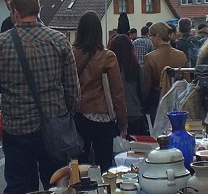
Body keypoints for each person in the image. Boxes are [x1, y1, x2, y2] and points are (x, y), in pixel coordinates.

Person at [0, 0, 80, 194]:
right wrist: (64, 114)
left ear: (15, 13)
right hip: (54, 127)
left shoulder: (0, 43)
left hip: (17, 128)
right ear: (39, 10)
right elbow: (73, 90)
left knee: (18, 187)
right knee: (57, 185)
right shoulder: (59, 40)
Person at [72, 12, 128, 172]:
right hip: (102, 116)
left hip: (78, 115)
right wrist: (123, 122)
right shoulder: (108, 56)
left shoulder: (71, 54)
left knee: (80, 165)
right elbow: (117, 93)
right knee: (105, 163)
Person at [141, 21, 188, 124]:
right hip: (178, 99)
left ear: (157, 36)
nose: (150, 39)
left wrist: (143, 104)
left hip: (157, 101)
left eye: (151, 36)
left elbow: (147, 85)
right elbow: (187, 80)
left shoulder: (150, 57)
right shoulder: (181, 55)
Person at [109, 34, 148, 137]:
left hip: (114, 114)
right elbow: (142, 90)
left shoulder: (110, 66)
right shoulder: (135, 66)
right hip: (135, 113)